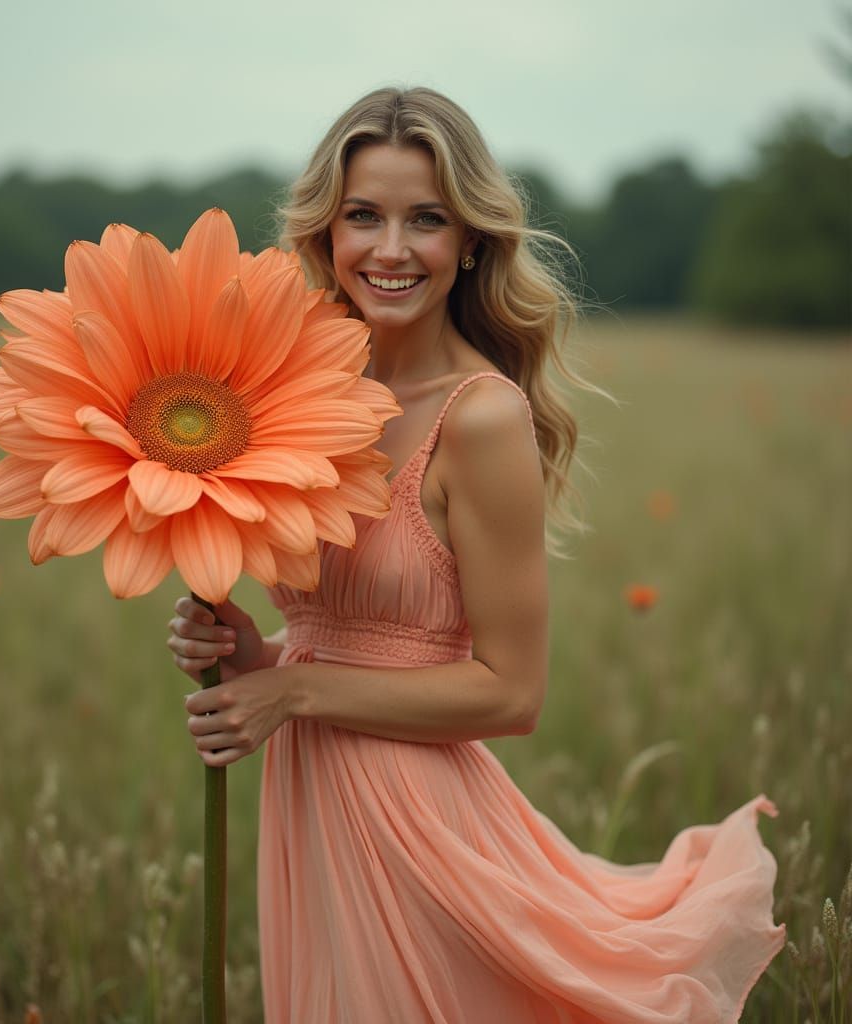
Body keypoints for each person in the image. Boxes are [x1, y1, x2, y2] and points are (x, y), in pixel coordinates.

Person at [167, 87, 784, 1023]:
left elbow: (511, 692)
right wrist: (260, 660)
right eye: (362, 216)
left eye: (426, 220)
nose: (390, 249)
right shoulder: (302, 398)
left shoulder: (482, 416)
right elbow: (339, 639)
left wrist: (292, 693)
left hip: (419, 829)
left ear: (470, 242)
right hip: (313, 814)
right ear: (326, 234)